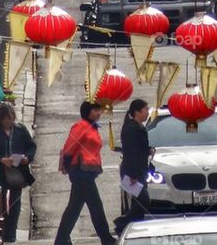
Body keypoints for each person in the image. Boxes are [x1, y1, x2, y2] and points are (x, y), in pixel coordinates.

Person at [54, 101, 116, 245]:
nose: (99, 113)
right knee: (96, 206)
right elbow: (70, 145)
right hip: (80, 172)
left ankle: (61, 240)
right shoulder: (81, 126)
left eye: (99, 110)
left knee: (74, 208)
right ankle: (106, 239)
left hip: (87, 172)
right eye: (95, 110)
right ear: (87, 112)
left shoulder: (92, 127)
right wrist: (67, 164)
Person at [0, 103, 36, 243]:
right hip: (1, 172)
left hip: (18, 171)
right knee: (1, 201)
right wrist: (1, 159)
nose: (8, 122)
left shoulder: (20, 130)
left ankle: (11, 232)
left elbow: (31, 146)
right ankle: (1, 231)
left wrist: (27, 158)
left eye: (10, 118)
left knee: (15, 202)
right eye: (5, 119)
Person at [114, 99, 154, 235]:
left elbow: (139, 147)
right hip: (132, 174)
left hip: (139, 172)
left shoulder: (137, 127)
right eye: (145, 110)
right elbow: (131, 153)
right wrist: (133, 176)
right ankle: (121, 225)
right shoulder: (131, 129)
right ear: (137, 112)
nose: (147, 113)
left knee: (138, 203)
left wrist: (148, 149)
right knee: (144, 201)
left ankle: (136, 230)